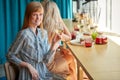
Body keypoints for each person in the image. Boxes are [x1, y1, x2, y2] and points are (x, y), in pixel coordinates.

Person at [6, 1, 65, 80]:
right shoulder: (24, 34)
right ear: (28, 16)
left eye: (40, 14)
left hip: (43, 72)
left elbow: (46, 60)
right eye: (35, 15)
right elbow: (10, 55)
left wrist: (54, 46)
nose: (38, 18)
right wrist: (28, 65)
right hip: (29, 74)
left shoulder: (43, 33)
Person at [41, 0, 77, 80]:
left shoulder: (39, 26)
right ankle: (73, 77)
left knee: (69, 56)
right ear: (55, 13)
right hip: (48, 64)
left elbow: (69, 37)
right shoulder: (53, 30)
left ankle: (73, 77)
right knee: (71, 59)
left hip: (47, 59)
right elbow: (69, 37)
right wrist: (59, 19)